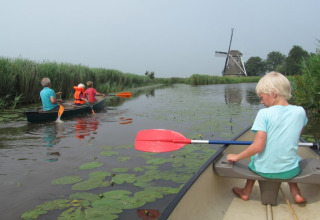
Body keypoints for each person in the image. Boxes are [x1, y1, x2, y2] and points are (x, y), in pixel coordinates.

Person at [227, 71, 308, 204]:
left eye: (262, 97)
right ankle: (296, 193)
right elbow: (299, 133)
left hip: (264, 171)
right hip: (290, 171)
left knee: (254, 159)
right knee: (293, 159)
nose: (261, 101)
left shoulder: (264, 114)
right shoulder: (300, 111)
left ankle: (246, 191)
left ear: (273, 93)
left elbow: (258, 146)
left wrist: (236, 157)